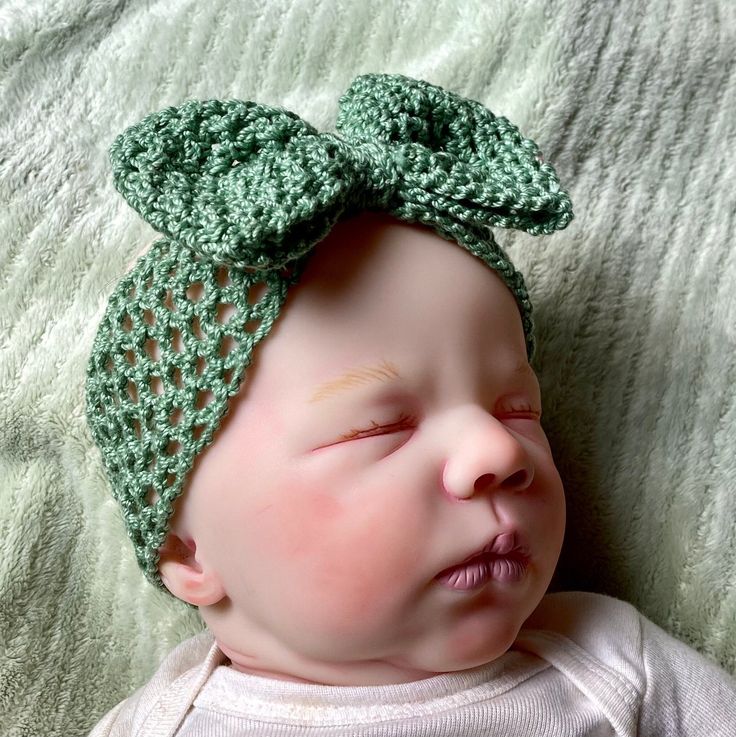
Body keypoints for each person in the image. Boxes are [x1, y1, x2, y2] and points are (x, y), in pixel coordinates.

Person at [85, 73, 736, 736]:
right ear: (188, 551)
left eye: (518, 408)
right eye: (382, 425)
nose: (498, 449)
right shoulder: (153, 724)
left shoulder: (611, 665)